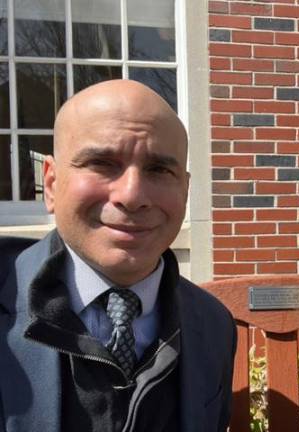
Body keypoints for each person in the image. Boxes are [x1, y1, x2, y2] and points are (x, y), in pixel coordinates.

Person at [0, 80, 236, 432]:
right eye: (102, 163)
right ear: (50, 185)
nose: (132, 195)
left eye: (158, 169)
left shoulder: (215, 325)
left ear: (185, 191)